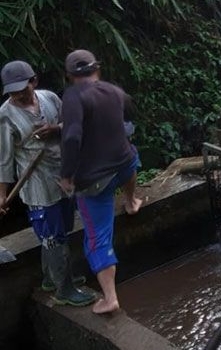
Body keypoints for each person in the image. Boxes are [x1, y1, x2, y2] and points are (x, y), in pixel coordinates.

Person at [0, 60, 95, 306]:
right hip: (38, 185)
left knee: (62, 229)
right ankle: (65, 290)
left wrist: (56, 129)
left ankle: (52, 278)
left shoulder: (50, 98)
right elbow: (4, 160)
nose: (19, 94)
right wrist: (2, 194)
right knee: (53, 236)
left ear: (35, 81)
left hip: (63, 176)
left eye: (23, 87)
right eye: (13, 91)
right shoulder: (5, 117)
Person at [57, 49, 142, 314]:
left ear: (70, 75)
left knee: (97, 238)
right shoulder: (114, 91)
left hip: (96, 181)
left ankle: (109, 298)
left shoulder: (73, 97)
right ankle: (131, 201)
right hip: (124, 164)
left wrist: (67, 175)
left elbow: (71, 138)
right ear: (98, 69)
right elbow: (128, 118)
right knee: (132, 157)